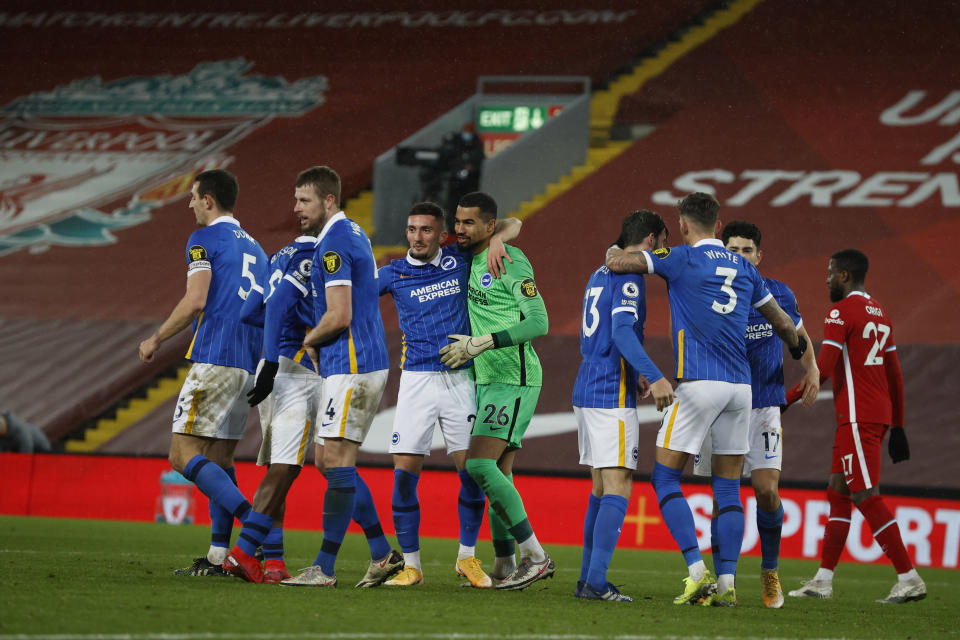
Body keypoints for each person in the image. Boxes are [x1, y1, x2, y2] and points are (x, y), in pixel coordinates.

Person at [605, 192, 805, 607]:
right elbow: (783, 322)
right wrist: (798, 348)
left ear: (682, 225)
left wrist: (613, 248)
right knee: (728, 489)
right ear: (719, 226)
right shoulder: (745, 269)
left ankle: (697, 572)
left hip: (699, 383)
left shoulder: (680, 257)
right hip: (741, 390)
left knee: (664, 478)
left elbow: (618, 263)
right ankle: (729, 584)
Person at [377, 201, 520, 588]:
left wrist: (497, 240)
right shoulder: (392, 272)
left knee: (471, 475)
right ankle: (412, 566)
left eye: (426, 230)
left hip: (461, 380)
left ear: (442, 235)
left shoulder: (460, 257)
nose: (417, 237)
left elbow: (513, 221)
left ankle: (467, 558)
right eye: (411, 230)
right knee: (404, 479)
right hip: (416, 382)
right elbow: (352, 299)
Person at [138, 169, 268, 578]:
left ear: (209, 200)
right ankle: (218, 556)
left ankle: (257, 527)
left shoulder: (204, 239)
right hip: (250, 362)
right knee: (220, 457)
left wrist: (156, 338)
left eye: (193, 197)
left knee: (182, 455)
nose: (189, 203)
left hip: (216, 355)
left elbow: (196, 300)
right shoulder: (257, 249)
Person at [281, 166, 401, 589]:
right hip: (350, 364)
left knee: (336, 460)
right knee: (327, 461)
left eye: (304, 200)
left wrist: (309, 341)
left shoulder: (332, 243)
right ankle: (382, 553)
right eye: (296, 200)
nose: (296, 208)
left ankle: (325, 568)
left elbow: (340, 314)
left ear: (328, 200)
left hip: (352, 364)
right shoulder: (351, 232)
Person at [691, 220, 820, 608]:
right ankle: (724, 579)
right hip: (722, 405)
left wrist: (811, 367)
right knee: (722, 497)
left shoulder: (777, 294)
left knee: (766, 489)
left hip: (763, 404)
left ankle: (769, 570)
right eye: (732, 249)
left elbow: (798, 332)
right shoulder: (712, 294)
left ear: (758, 256)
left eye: (746, 250)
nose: (739, 256)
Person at [786, 249, 925, 604]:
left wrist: (782, 400)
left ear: (845, 275)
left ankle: (908, 577)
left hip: (857, 418)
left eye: (830, 272)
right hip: (873, 416)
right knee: (839, 490)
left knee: (865, 495)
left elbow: (825, 370)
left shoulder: (841, 312)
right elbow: (894, 374)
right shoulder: (881, 313)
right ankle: (822, 580)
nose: (827, 278)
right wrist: (899, 426)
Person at [439, 191, 553, 591]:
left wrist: (484, 342)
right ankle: (505, 563)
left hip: (514, 376)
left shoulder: (509, 260)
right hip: (488, 380)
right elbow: (514, 219)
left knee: (479, 465)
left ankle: (536, 556)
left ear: (488, 226)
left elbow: (539, 322)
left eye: (469, 222)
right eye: (458, 221)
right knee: (498, 473)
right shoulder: (475, 253)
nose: (459, 229)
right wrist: (502, 232)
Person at [572, 210, 675, 602]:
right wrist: (656, 373)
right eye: (663, 243)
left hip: (587, 385)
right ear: (650, 240)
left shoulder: (599, 273)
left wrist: (638, 375)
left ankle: (587, 581)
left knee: (600, 487)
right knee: (619, 485)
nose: (664, 252)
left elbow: (605, 336)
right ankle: (596, 583)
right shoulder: (630, 276)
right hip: (609, 394)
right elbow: (620, 333)